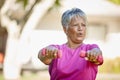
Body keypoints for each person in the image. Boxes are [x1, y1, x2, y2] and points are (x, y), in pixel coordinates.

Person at [38, 8, 103, 80]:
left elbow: (97, 52)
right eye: (75, 25)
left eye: (83, 25)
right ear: (65, 29)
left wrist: (94, 54)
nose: (80, 28)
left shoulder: (90, 48)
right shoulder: (57, 50)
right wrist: (49, 51)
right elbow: (42, 56)